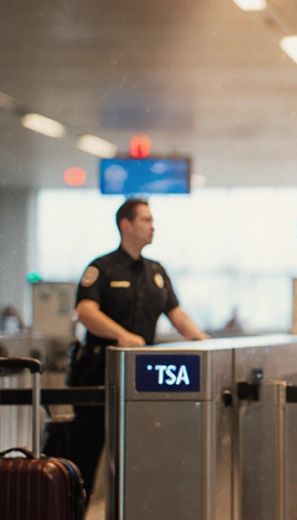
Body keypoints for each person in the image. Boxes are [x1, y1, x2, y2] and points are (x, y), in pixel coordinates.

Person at [64, 198, 209, 494]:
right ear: (126, 225)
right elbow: (85, 311)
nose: (152, 226)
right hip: (98, 375)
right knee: (86, 461)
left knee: (141, 460)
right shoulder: (100, 268)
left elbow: (176, 314)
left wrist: (201, 340)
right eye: (146, 220)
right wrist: (122, 335)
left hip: (141, 378)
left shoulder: (156, 270)